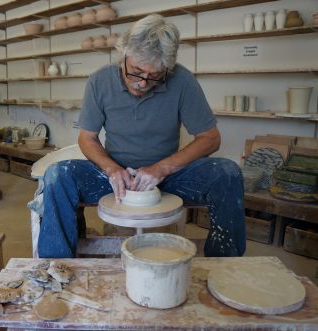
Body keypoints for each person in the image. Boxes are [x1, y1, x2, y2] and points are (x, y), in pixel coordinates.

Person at [38, 14, 245, 258]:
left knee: (227, 173)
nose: (143, 83)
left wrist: (162, 169)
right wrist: (111, 169)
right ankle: (56, 266)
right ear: (121, 55)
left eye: (155, 75)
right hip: (116, 177)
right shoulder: (100, 81)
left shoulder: (182, 80)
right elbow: (88, 138)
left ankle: (225, 265)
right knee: (57, 175)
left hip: (168, 177)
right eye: (136, 71)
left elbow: (210, 138)